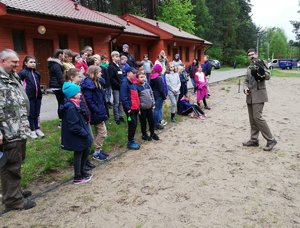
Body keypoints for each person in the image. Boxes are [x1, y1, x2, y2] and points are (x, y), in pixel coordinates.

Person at [0, 49, 36, 212]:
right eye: (13, 62)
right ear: (3, 61)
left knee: (16, 162)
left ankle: (14, 192)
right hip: (8, 131)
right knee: (11, 166)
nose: (17, 64)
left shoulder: (12, 76)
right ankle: (13, 200)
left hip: (19, 129)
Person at [243, 48, 277, 151]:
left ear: (256, 54)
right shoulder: (249, 67)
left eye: (253, 54)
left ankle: (271, 139)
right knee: (252, 119)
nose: (251, 56)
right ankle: (254, 140)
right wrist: (245, 88)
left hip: (259, 95)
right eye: (249, 55)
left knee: (257, 118)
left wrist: (259, 71)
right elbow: (246, 81)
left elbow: (268, 76)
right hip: (250, 96)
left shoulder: (261, 63)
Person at [61, 82, 93, 184]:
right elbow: (74, 125)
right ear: (72, 94)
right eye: (78, 92)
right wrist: (84, 133)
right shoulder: (70, 107)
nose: (80, 94)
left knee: (85, 151)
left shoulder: (75, 104)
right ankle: (77, 176)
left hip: (81, 134)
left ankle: (82, 171)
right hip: (77, 136)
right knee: (79, 154)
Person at [81, 66, 109, 160]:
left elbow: (104, 82)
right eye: (99, 72)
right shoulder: (88, 86)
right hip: (95, 112)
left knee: (99, 131)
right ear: (94, 73)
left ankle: (99, 150)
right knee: (103, 132)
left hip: (99, 110)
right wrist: (97, 110)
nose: (101, 74)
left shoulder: (96, 82)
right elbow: (89, 101)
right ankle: (96, 152)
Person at [18, 55, 45, 139]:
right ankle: (32, 130)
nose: (33, 64)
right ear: (26, 63)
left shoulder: (37, 73)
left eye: (34, 62)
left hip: (38, 97)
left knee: (37, 113)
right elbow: (19, 84)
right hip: (29, 97)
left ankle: (37, 129)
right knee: (31, 114)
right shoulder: (22, 73)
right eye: (31, 62)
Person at [120, 67, 141, 150]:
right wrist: (128, 108)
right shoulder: (125, 83)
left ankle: (132, 139)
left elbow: (135, 96)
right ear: (128, 73)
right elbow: (123, 96)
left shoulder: (132, 82)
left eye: (135, 72)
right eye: (133, 72)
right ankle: (130, 142)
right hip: (130, 108)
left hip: (135, 107)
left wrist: (138, 107)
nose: (135, 74)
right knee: (132, 124)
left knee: (134, 123)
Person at [136, 71, 159, 141]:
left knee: (151, 121)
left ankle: (152, 133)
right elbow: (136, 99)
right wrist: (138, 108)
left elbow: (151, 94)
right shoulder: (137, 87)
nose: (143, 78)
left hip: (150, 107)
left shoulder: (147, 85)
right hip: (142, 108)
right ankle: (144, 134)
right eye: (141, 77)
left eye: (143, 77)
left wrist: (153, 103)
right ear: (137, 79)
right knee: (143, 122)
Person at [48, 49, 65, 124]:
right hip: (58, 86)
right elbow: (60, 78)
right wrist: (65, 86)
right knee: (61, 103)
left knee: (61, 102)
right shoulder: (56, 65)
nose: (64, 56)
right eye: (64, 54)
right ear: (60, 55)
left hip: (57, 86)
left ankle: (62, 119)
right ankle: (61, 121)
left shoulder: (56, 64)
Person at [108, 51, 124, 125]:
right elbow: (111, 78)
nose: (118, 57)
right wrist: (118, 84)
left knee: (121, 102)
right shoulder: (111, 66)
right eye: (116, 56)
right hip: (116, 88)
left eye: (118, 56)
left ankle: (121, 116)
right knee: (116, 103)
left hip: (121, 87)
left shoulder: (119, 66)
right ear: (113, 57)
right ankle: (117, 118)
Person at [150, 64, 167, 130]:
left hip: (154, 94)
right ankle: (155, 124)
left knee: (156, 109)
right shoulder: (159, 78)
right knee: (157, 109)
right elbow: (161, 89)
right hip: (159, 95)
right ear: (159, 70)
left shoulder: (152, 76)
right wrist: (164, 97)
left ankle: (159, 121)